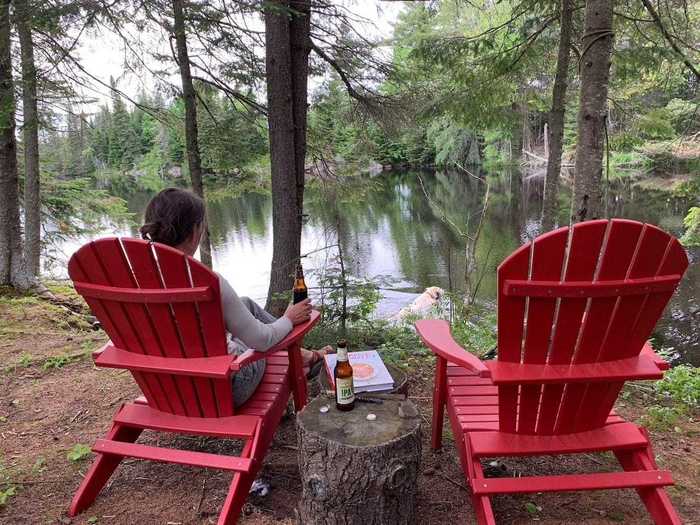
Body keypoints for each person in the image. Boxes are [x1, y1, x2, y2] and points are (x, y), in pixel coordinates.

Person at [139, 187, 331, 406]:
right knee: (255, 341)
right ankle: (304, 357)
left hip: (166, 389)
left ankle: (304, 355)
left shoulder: (134, 283)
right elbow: (262, 341)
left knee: (245, 303)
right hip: (224, 389)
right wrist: (289, 318)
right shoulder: (208, 282)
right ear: (194, 232)